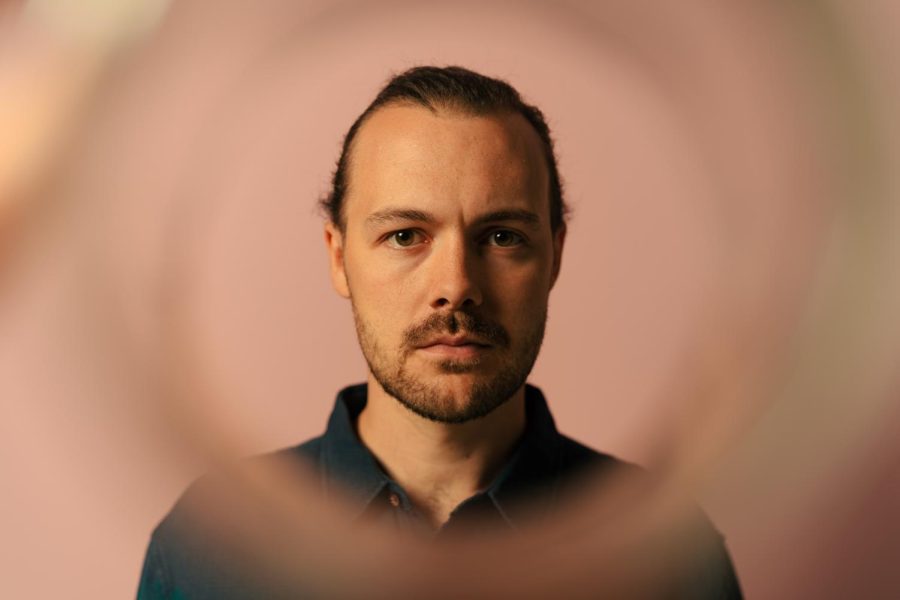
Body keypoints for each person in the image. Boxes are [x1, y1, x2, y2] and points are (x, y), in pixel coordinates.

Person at [137, 65, 742, 599]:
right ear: (338, 258)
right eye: (406, 236)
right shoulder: (209, 548)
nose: (456, 285)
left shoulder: (667, 556)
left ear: (555, 257)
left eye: (502, 237)